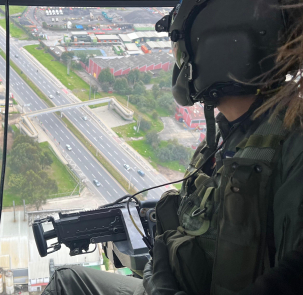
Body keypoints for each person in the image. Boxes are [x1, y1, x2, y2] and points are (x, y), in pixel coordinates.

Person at [42, 0, 303, 294]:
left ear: (219, 50)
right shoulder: (226, 137)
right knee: (68, 281)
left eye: (182, 51)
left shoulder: (290, 144)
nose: (181, 65)